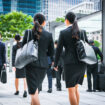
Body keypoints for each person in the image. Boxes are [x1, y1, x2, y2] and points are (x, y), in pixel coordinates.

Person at [54, 12, 86, 105]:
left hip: (70, 64)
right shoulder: (82, 31)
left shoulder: (63, 32)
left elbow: (58, 50)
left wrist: (55, 64)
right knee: (76, 88)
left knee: (71, 90)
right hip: (81, 63)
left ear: (67, 20)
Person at [22, 13, 54, 105]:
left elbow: (23, 48)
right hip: (43, 66)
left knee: (33, 92)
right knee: (36, 90)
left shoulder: (28, 32)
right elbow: (51, 53)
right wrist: (43, 54)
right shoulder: (48, 35)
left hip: (30, 65)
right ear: (44, 22)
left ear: (33, 21)